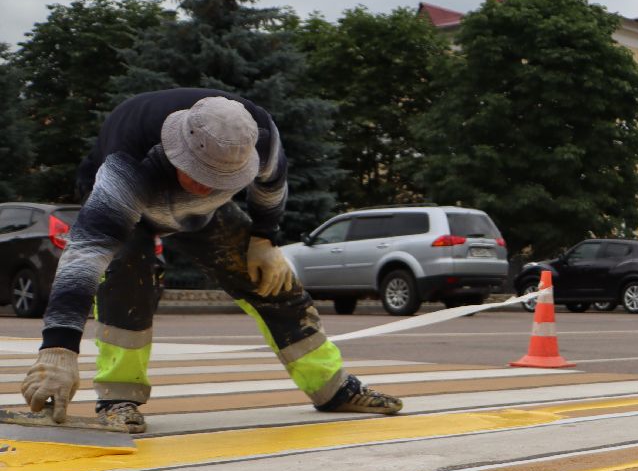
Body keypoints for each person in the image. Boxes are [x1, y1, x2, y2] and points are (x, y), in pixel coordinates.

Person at [19, 89, 403, 431]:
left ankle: (333, 388)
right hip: (132, 206)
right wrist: (59, 349)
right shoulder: (130, 162)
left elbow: (272, 187)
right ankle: (118, 398)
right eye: (198, 175)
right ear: (178, 150)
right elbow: (85, 255)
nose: (205, 186)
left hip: (202, 216)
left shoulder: (260, 137)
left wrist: (264, 238)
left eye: (220, 179)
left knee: (273, 281)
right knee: (126, 282)